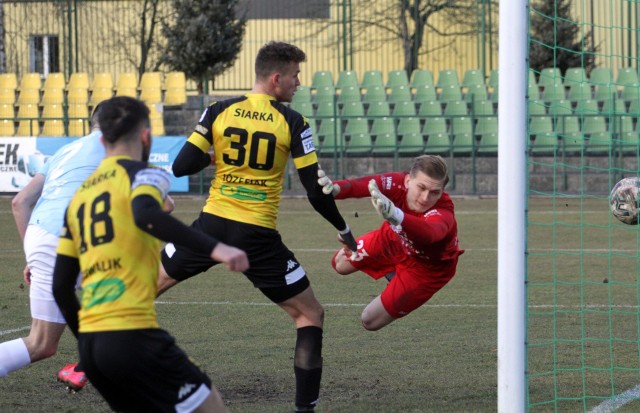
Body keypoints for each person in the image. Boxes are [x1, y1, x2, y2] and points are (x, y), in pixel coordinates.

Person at [155, 41, 357, 413]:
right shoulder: (292, 121)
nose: (299, 83)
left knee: (143, 287)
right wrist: (343, 228)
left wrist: (212, 156)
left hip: (210, 227)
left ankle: (88, 363)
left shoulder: (218, 110)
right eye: (295, 75)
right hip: (256, 236)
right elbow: (314, 188)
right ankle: (304, 409)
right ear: (277, 78)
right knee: (309, 315)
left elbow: (182, 165)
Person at [52, 96, 249, 413]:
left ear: (102, 139)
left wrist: (90, 341)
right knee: (212, 406)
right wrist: (216, 247)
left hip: (91, 346)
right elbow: (145, 212)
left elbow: (60, 286)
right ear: (146, 136)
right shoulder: (146, 175)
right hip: (133, 336)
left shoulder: (80, 196)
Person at [1, 104, 106, 391]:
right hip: (66, 239)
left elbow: (19, 202)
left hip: (40, 235)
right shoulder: (119, 148)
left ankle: (92, 366)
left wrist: (32, 258)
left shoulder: (66, 150)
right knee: (41, 343)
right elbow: (162, 204)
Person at [317, 154, 464, 331]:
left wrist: (397, 215)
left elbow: (430, 234)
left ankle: (396, 277)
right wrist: (336, 189)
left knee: (369, 321)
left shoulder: (443, 209)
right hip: (393, 241)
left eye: (435, 192)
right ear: (408, 180)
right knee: (339, 264)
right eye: (421, 187)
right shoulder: (397, 182)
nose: (425, 198)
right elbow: (366, 185)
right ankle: (392, 270)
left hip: (426, 269)